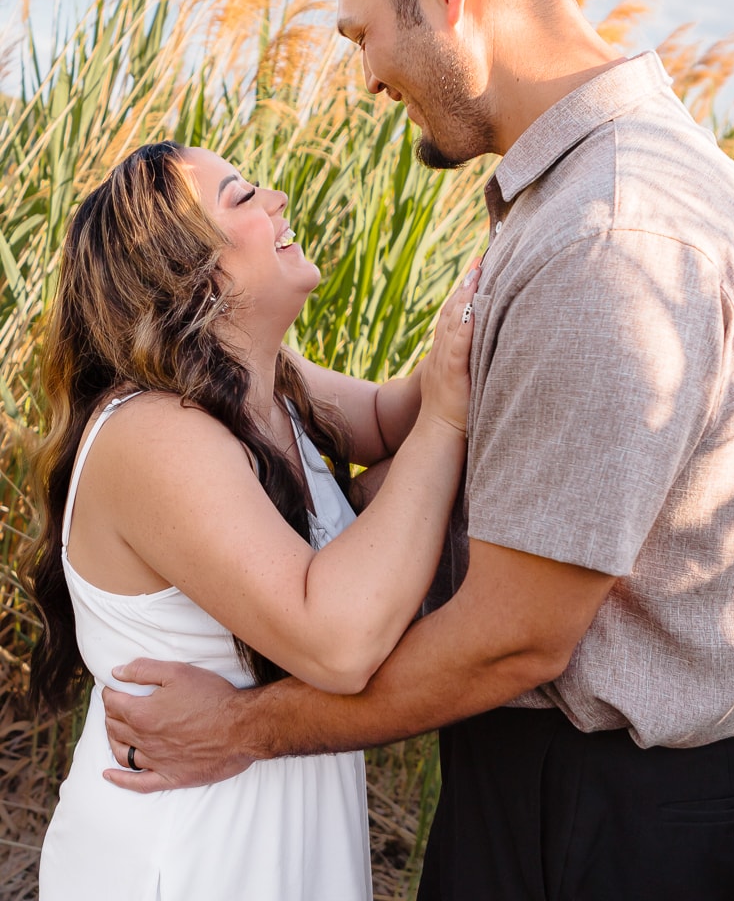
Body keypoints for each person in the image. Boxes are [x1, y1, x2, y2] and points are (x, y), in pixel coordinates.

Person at [102, 0, 734, 901]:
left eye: (362, 35)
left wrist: (239, 729)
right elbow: (427, 423)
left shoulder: (606, 241)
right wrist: (218, 346)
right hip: (593, 802)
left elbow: (509, 641)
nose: (368, 77)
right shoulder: (602, 193)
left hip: (594, 822)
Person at [24, 138, 479, 901]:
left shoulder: (270, 389)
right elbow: (337, 642)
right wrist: (448, 421)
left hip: (276, 833)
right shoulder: (152, 433)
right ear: (190, 274)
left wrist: (480, 328)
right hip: (186, 852)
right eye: (242, 198)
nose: (277, 200)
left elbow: (397, 418)